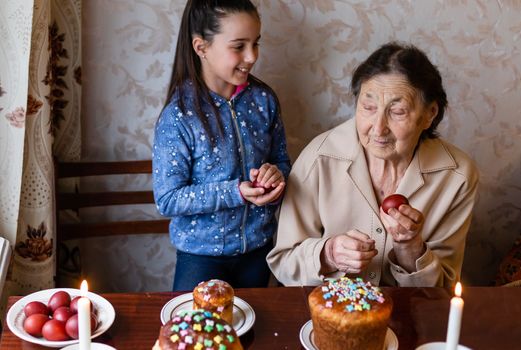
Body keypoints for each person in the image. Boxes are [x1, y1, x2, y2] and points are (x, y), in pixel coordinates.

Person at [266, 42, 479, 289]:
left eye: (397, 111)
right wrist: (329, 254)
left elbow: (441, 290)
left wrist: (410, 246)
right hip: (327, 310)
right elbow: (283, 262)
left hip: (407, 315)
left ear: (429, 114)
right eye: (368, 108)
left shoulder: (457, 176)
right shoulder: (319, 158)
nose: (378, 128)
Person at [152, 0, 290, 291]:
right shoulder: (179, 116)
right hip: (200, 258)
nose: (252, 56)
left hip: (259, 250)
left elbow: (283, 162)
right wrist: (236, 192)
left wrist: (275, 177)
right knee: (196, 336)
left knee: (255, 333)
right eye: (239, 46)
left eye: (256, 43)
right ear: (201, 47)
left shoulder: (264, 100)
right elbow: (168, 199)